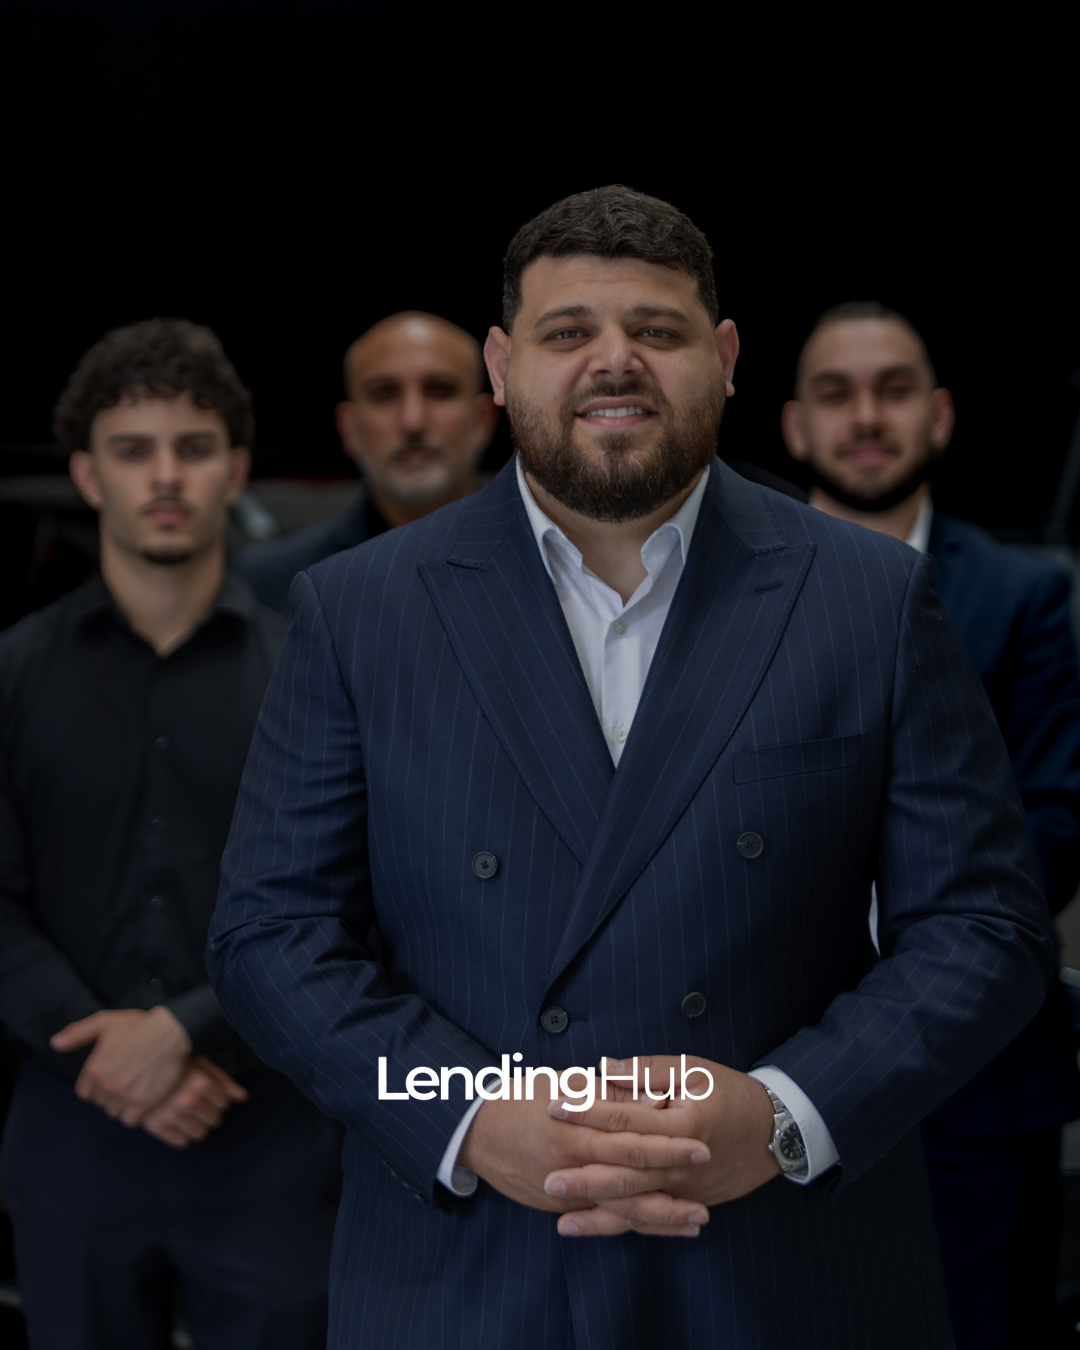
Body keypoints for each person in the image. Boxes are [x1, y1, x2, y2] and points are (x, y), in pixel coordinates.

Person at [207, 187, 1054, 1350]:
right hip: (471, 1272)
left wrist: (787, 1112)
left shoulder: (869, 596)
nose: (615, 362)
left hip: (787, 1269)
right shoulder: (361, 611)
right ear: (503, 367)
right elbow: (270, 937)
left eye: (655, 331)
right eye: (569, 334)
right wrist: (465, 1111)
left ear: (724, 358)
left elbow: (985, 927)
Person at [0, 319, 342, 1350]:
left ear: (234, 468)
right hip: (72, 1132)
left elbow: (345, 896)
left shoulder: (313, 674)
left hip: (270, 1139)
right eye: (132, 449)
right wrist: (107, 1058)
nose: (164, 476)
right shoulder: (10, 673)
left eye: (192, 449)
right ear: (85, 475)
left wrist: (181, 1031)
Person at [781, 300, 1080, 1349]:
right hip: (759, 1058)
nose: (867, 415)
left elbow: (1054, 821)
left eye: (894, 389)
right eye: (836, 393)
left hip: (977, 1076)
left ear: (941, 416)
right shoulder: (719, 594)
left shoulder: (1024, 597)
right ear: (793, 427)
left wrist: (876, 943)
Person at [233, 310, 500, 615]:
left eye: (439, 390)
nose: (412, 420)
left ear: (483, 420)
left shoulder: (552, 560)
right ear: (349, 428)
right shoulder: (273, 584)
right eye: (384, 394)